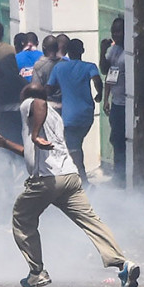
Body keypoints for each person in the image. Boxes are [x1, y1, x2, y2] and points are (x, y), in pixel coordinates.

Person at [0, 83, 140, 287]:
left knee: (21, 218)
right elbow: (32, 154)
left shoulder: (31, 103)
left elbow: (38, 104)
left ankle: (37, 271)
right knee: (92, 221)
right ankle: (124, 265)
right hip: (69, 178)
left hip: (47, 180)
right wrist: (5, 144)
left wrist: (35, 134)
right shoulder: (54, 116)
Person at [47, 39, 102, 184]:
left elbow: (50, 88)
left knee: (73, 146)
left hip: (69, 116)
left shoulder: (59, 68)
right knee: (76, 143)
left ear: (68, 52)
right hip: (87, 114)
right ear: (82, 51)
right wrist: (100, 94)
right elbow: (97, 80)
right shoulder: (89, 66)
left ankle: (82, 180)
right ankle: (78, 177)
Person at [101, 17, 127, 188]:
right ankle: (119, 175)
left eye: (119, 31)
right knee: (115, 139)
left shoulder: (129, 52)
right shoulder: (113, 50)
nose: (116, 34)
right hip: (117, 102)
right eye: (113, 31)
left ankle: (126, 175)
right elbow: (107, 72)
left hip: (128, 103)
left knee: (125, 140)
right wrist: (106, 99)